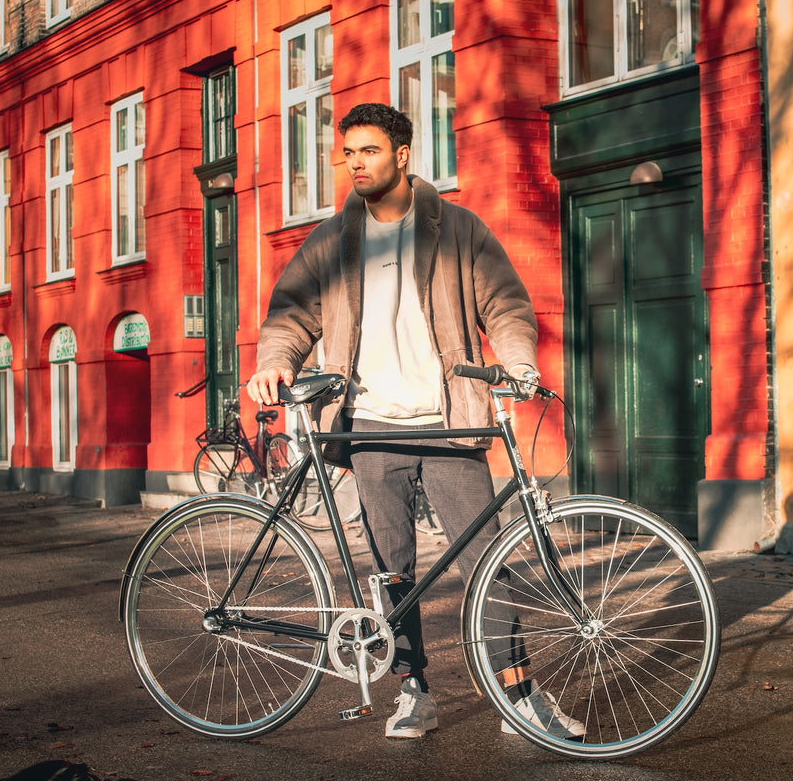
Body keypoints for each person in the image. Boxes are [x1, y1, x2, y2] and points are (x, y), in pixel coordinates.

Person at [246, 103, 582, 741]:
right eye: (348, 154)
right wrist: (274, 361)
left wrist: (516, 360)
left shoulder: (458, 227)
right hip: (368, 426)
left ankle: (519, 698)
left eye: (368, 152)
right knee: (390, 570)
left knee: (487, 563)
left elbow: (505, 303)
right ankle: (412, 691)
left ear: (402, 153)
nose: (355, 165)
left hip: (450, 423)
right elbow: (290, 313)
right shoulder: (330, 240)